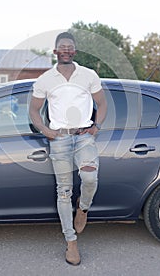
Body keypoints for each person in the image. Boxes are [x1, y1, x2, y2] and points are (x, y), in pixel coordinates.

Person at [29, 32, 107, 266]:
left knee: (90, 178)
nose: (66, 49)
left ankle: (83, 209)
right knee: (63, 191)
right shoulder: (45, 80)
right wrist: (45, 130)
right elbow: (34, 111)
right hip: (59, 140)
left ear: (74, 51)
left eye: (70, 47)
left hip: (83, 137)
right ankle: (71, 242)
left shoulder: (88, 75)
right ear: (55, 52)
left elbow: (101, 103)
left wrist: (97, 126)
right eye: (61, 46)